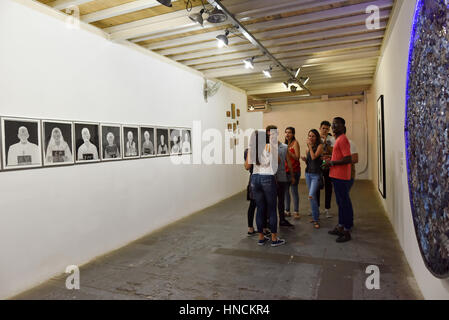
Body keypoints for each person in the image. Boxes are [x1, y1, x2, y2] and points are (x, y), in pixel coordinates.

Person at [248, 126, 285, 247]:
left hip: (255, 178)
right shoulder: (270, 146)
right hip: (267, 178)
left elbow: (248, 166)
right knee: (272, 209)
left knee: (260, 208)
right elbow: (278, 161)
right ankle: (274, 239)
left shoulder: (252, 149)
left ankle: (261, 238)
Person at [324, 117, 354, 243]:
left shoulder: (343, 139)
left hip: (341, 177)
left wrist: (332, 162)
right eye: (333, 124)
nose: (334, 126)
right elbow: (340, 156)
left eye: (337, 124)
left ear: (343, 126)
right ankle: (341, 226)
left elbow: (348, 159)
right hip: (336, 176)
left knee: (344, 203)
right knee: (340, 203)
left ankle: (346, 230)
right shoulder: (338, 139)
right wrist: (330, 158)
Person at [301, 129, 324, 229]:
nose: (311, 138)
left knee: (311, 195)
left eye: (313, 136)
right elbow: (310, 162)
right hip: (308, 174)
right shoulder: (307, 149)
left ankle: (316, 219)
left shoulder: (320, 146)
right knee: (312, 196)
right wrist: (305, 159)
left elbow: (314, 157)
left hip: (316, 175)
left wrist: (309, 147)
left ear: (317, 137)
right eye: (309, 136)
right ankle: (315, 217)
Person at [275, 128, 295, 227]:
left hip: (281, 177)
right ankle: (270, 221)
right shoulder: (267, 146)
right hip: (271, 179)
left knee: (281, 200)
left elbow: (289, 162)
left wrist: (292, 176)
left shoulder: (284, 147)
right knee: (271, 200)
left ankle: (282, 220)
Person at [315, 121, 335, 219]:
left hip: (327, 164)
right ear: (320, 128)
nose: (325, 130)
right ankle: (317, 208)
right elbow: (314, 152)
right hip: (318, 164)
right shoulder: (316, 138)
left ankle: (327, 209)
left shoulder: (331, 139)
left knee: (328, 186)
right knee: (317, 186)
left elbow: (333, 152)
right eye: (323, 128)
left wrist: (326, 144)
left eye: (327, 129)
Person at [284, 127, 301, 219]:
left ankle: (296, 211)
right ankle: (287, 210)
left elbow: (297, 157)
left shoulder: (295, 143)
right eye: (286, 132)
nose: (287, 134)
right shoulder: (285, 144)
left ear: (293, 134)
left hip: (294, 171)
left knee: (294, 191)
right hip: (286, 171)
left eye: (289, 132)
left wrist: (288, 151)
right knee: (286, 192)